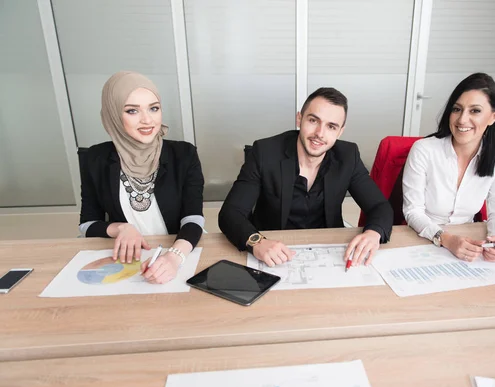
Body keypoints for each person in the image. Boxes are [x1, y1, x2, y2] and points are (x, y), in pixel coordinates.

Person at [218, 87, 393, 267]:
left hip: (329, 253)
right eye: (313, 120)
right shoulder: (264, 153)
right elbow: (230, 213)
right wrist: (257, 242)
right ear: (299, 118)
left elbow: (379, 206)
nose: (320, 133)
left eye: (331, 126)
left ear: (340, 132)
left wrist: (374, 233)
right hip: (273, 251)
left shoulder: (348, 156)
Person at [79, 71, 205, 284]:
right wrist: (121, 228)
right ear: (113, 115)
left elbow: (193, 219)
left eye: (153, 108)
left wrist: (174, 257)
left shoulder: (184, 154)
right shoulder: (95, 159)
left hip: (178, 248)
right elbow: (87, 224)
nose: (148, 120)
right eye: (132, 111)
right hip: (126, 258)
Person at [401, 72, 495, 262]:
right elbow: (413, 211)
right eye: (457, 109)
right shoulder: (424, 150)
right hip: (423, 238)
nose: (462, 120)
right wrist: (446, 239)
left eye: (475, 111)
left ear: (493, 117)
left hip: (469, 241)